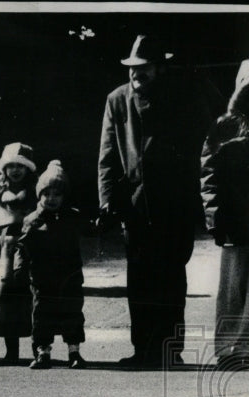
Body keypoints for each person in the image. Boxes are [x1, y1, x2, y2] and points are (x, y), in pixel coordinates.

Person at [98, 35, 218, 369]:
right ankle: (142, 350)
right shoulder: (117, 101)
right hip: (134, 206)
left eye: (144, 68)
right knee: (139, 279)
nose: (137, 74)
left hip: (174, 205)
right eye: (133, 68)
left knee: (171, 279)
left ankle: (169, 350)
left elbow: (201, 146)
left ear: (159, 69)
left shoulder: (181, 97)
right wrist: (107, 200)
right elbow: (107, 156)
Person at [14, 161, 87, 370]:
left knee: (72, 313)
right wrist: (19, 268)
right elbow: (22, 245)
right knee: (41, 315)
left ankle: (74, 352)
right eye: (46, 194)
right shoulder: (33, 219)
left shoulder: (72, 217)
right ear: (39, 195)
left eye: (57, 194)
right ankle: (43, 352)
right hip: (42, 277)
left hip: (69, 276)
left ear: (64, 196)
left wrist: (103, 221)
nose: (51, 199)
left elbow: (90, 229)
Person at [200, 61, 249, 365]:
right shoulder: (225, 127)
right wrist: (214, 214)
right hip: (235, 217)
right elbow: (208, 172)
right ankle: (228, 349)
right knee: (232, 287)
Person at [0, 142, 37, 363]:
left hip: (25, 246)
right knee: (4, 300)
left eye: (20, 166)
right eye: (11, 166)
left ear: (28, 169)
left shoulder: (33, 192)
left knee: (26, 297)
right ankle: (10, 349)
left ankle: (37, 346)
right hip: (1, 249)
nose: (15, 170)